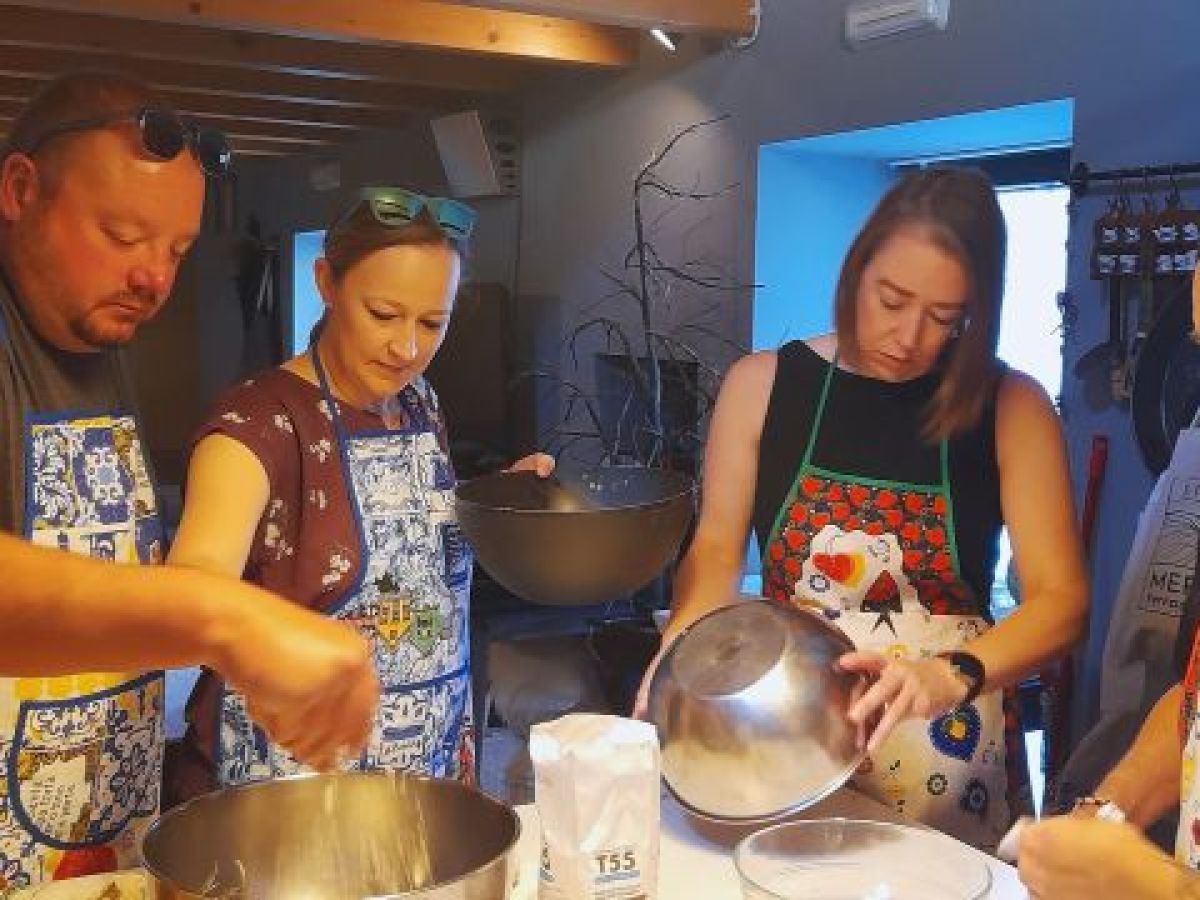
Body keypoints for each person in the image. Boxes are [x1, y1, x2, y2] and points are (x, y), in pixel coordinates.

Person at [0, 71, 377, 893]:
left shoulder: (92, 346)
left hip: (101, 835)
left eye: (175, 251)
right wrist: (226, 619)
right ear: (21, 190)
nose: (155, 280)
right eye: (122, 234)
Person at [636, 167, 1087, 850]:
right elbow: (717, 554)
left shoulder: (1012, 407)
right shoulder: (762, 385)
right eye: (892, 299)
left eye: (944, 318)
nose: (909, 337)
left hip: (944, 742)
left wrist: (951, 674)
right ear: (856, 270)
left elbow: (1063, 603)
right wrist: (682, 653)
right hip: (789, 723)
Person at [164, 186, 553, 802]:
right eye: (383, 314)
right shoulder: (256, 426)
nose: (406, 349)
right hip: (288, 798)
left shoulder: (420, 404)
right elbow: (190, 592)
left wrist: (495, 501)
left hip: (425, 776)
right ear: (326, 281)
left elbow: (413, 550)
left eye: (432, 323)